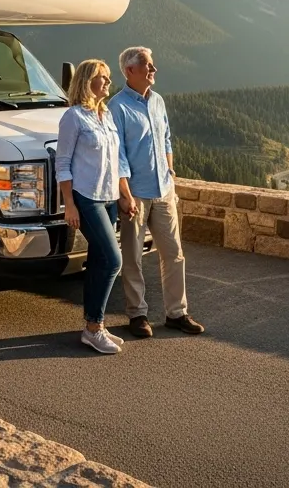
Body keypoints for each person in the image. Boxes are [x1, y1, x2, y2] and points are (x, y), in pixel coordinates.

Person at [110, 46, 205, 338]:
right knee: (134, 257)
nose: (154, 70)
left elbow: (166, 138)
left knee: (174, 254)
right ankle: (137, 314)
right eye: (149, 66)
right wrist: (125, 195)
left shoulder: (158, 101)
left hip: (163, 190)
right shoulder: (118, 107)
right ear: (130, 71)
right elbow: (119, 154)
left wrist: (170, 169)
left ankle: (177, 313)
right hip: (135, 193)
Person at [56, 59, 135, 354]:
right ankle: (94, 327)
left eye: (108, 77)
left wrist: (125, 195)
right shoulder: (73, 117)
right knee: (113, 260)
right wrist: (70, 205)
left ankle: (93, 326)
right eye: (102, 77)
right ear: (87, 80)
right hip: (86, 198)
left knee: (100, 261)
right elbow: (62, 163)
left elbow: (119, 160)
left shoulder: (106, 115)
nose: (108, 82)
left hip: (109, 197)